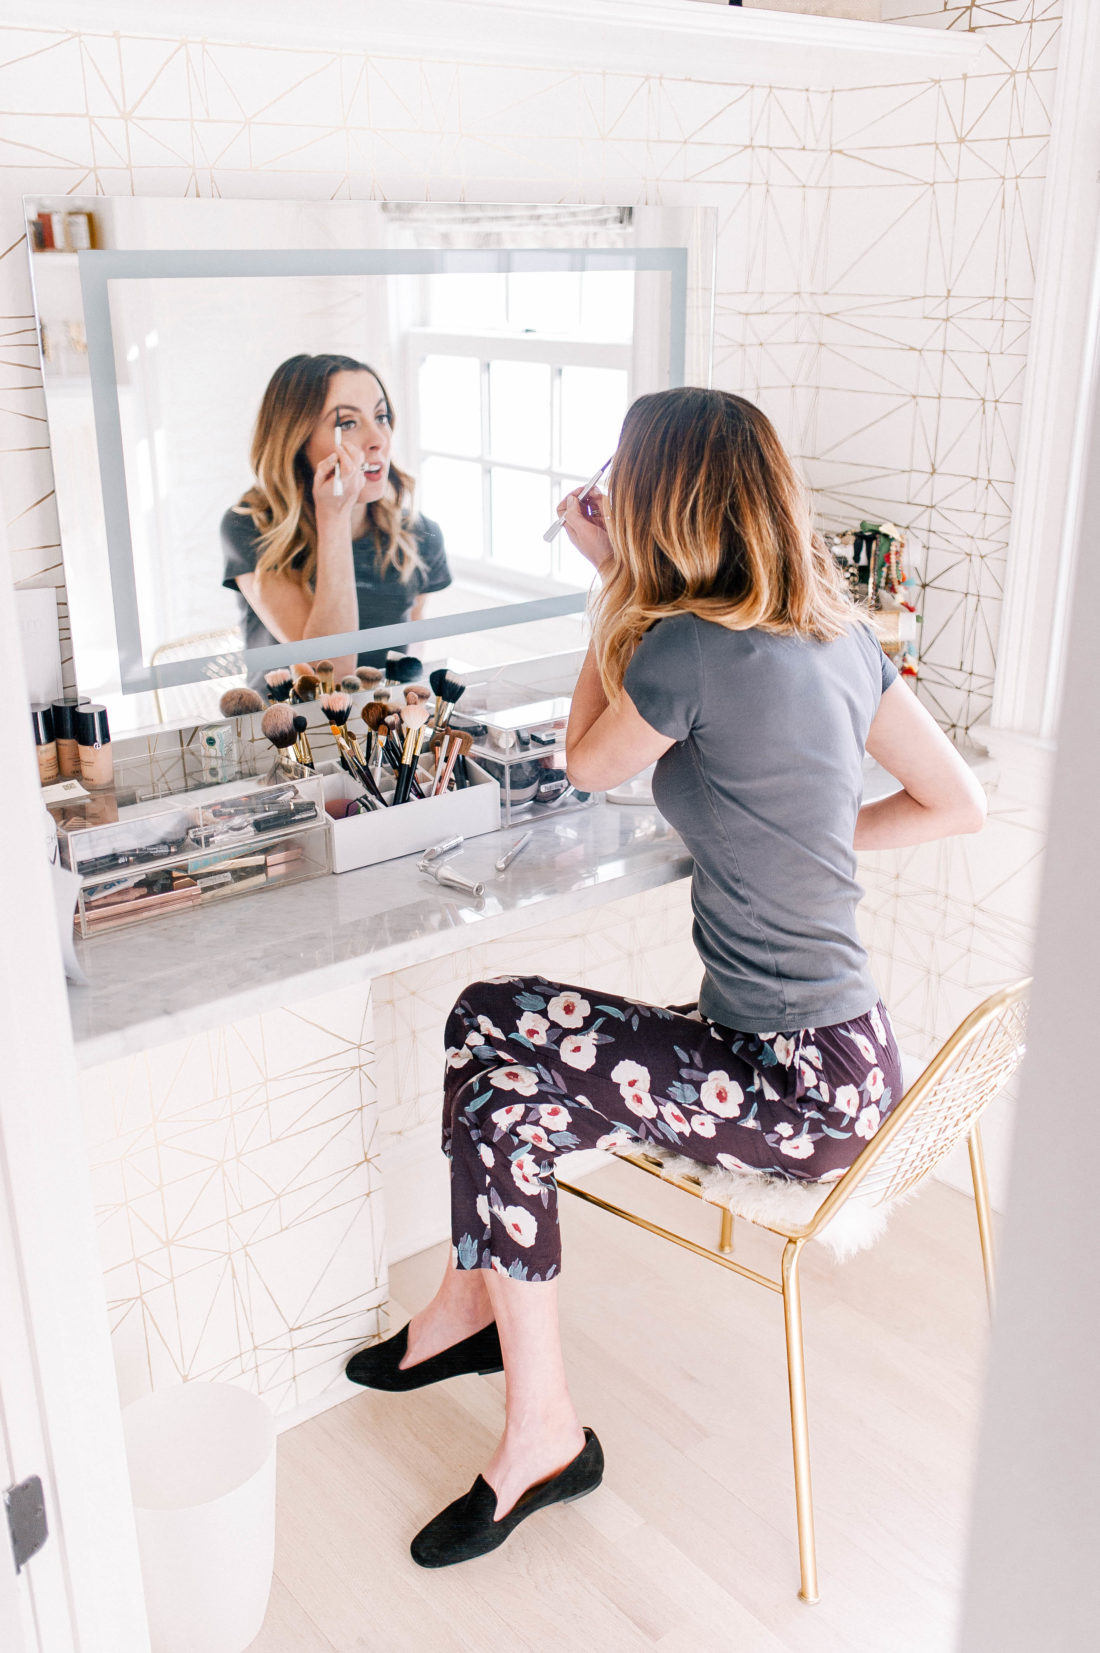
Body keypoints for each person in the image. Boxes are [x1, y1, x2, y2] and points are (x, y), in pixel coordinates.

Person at [345, 388, 987, 1568]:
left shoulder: (687, 644)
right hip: (845, 1064)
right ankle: (489, 1343)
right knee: (497, 1054)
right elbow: (958, 802)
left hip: (783, 1087)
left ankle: (513, 1381)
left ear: (662, 497)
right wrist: (797, 839)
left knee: (495, 1048)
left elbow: (588, 764)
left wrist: (609, 588)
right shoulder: (837, 634)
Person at [221, 353, 451, 683]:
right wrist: (334, 517)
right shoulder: (250, 527)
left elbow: (409, 659)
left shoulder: (418, 534)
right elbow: (326, 674)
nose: (379, 440)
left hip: (378, 727)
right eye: (348, 423)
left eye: (381, 417)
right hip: (289, 728)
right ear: (297, 440)